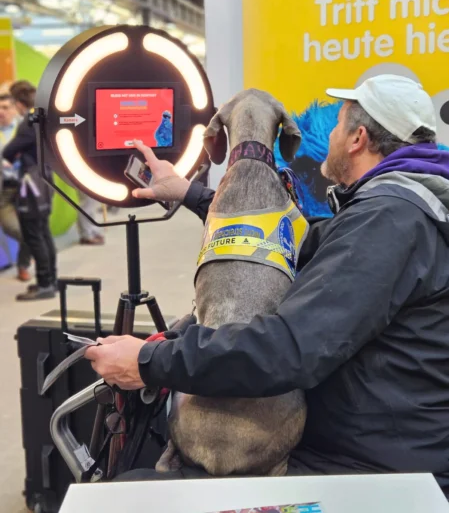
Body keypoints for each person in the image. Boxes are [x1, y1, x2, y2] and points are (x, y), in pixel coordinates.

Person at [86, 74, 449, 496]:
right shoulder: (400, 206)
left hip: (369, 470)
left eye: (337, 125)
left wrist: (149, 361)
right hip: (377, 444)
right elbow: (292, 240)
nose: (330, 136)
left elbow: (287, 348)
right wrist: (189, 193)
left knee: (130, 493)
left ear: (358, 139)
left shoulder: (388, 221)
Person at [3, 81, 57, 301]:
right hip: (44, 179)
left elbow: (10, 150)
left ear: (17, 103)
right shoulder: (43, 116)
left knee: (34, 234)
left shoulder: (28, 122)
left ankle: (45, 284)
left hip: (31, 184)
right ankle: (50, 280)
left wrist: (11, 155)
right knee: (43, 232)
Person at [0, 94, 31, 281]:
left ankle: (23, 265)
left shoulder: (24, 128)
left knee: (33, 230)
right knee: (15, 229)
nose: (1, 112)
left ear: (14, 108)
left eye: (5, 107)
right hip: (4, 191)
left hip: (26, 187)